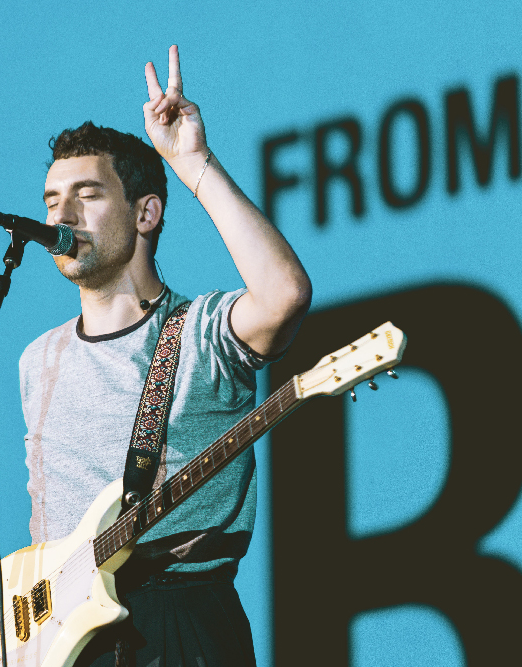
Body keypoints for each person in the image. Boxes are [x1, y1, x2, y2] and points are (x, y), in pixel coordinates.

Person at [19, 45, 312, 667]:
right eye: (51, 201)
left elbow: (284, 295)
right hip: (61, 639)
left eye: (87, 194)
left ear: (146, 211)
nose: (61, 215)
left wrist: (193, 162)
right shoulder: (37, 360)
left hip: (177, 624)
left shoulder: (202, 330)